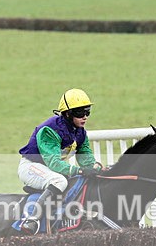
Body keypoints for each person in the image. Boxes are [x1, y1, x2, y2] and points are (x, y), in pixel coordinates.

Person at [17, 88, 103, 234]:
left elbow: (86, 160)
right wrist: (80, 170)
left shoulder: (80, 132)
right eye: (80, 112)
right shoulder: (49, 129)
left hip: (51, 170)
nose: (85, 117)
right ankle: (32, 219)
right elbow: (54, 163)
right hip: (32, 167)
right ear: (67, 114)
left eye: (87, 111)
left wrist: (96, 167)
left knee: (80, 179)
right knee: (60, 181)